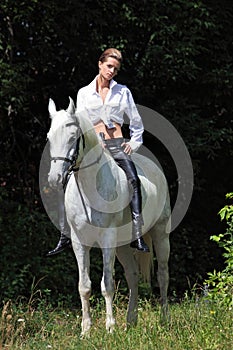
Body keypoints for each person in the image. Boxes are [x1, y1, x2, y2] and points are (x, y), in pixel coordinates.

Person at [47, 47, 149, 255]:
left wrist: (134, 143)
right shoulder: (84, 93)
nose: (112, 71)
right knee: (64, 180)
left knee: (133, 180)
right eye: (109, 66)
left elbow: (137, 124)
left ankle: (137, 234)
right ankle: (65, 234)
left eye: (116, 69)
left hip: (116, 144)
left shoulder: (123, 92)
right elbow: (81, 125)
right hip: (93, 148)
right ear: (100, 64)